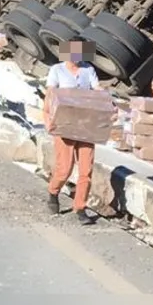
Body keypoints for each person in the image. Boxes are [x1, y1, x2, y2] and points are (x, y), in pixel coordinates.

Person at [43, 39, 103, 226]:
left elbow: (97, 89)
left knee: (86, 169)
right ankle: (53, 192)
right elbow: (51, 94)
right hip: (65, 124)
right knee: (65, 168)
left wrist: (107, 100)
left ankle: (80, 207)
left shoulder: (88, 70)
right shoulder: (57, 70)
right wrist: (49, 119)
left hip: (86, 124)